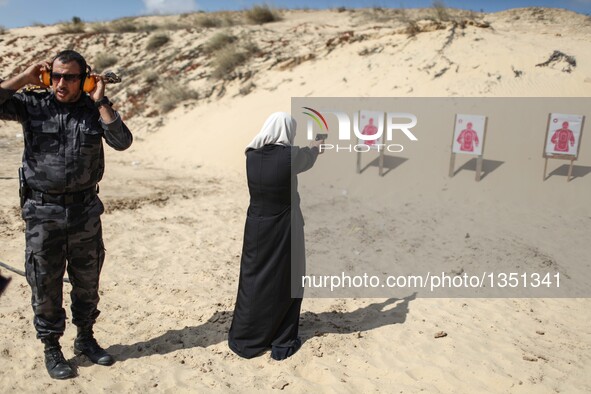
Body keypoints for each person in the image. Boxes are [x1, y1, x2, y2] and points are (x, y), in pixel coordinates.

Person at [0, 50, 132, 379]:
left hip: (84, 211)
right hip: (41, 212)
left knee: (87, 281)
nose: (61, 83)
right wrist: (23, 78)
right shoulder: (32, 104)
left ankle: (85, 338)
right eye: (56, 76)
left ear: (84, 79)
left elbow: (122, 141)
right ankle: (52, 347)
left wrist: (101, 102)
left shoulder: (93, 110)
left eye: (70, 77)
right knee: (45, 282)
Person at [228, 112, 322, 361]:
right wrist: (317, 145)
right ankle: (281, 339)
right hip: (284, 228)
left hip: (256, 227)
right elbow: (308, 157)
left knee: (255, 281)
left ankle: (247, 338)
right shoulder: (290, 157)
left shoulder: (252, 154)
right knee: (288, 279)